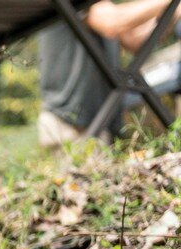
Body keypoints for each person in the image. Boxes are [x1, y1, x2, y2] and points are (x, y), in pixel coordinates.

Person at [37, 0, 180, 147]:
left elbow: (134, 40)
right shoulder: (94, 9)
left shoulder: (100, 7)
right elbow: (113, 22)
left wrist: (173, 12)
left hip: (99, 121)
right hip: (69, 124)